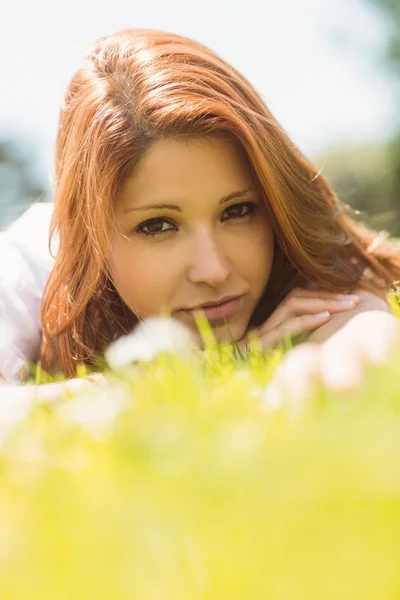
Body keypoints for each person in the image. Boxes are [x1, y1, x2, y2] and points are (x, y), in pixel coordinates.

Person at [0, 28, 399, 400]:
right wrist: (194, 367)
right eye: (157, 226)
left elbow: (362, 323)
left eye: (237, 211)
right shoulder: (33, 264)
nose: (213, 271)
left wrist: (364, 315)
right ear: (89, 235)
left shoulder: (291, 247)